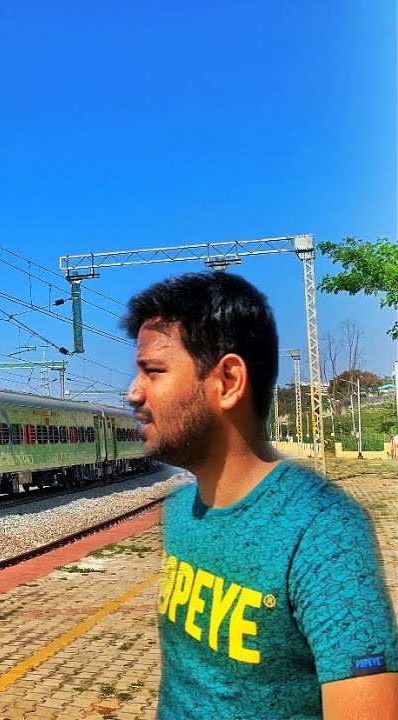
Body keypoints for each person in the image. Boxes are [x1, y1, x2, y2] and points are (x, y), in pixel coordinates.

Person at [122, 272, 398, 718]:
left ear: (229, 381)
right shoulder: (178, 512)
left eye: (153, 371)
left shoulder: (323, 534)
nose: (133, 392)